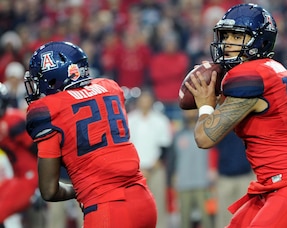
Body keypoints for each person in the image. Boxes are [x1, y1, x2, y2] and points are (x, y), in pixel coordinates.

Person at [184, 3, 287, 227]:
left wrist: (205, 104)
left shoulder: (250, 75)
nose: (228, 42)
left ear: (259, 40)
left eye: (237, 36)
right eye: (226, 34)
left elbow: (204, 137)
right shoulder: (269, 69)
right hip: (275, 186)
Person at [24, 41, 157, 228]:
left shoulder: (48, 110)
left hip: (107, 209)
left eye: (40, 79)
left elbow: (49, 190)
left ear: (54, 78)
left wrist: (78, 190)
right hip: (144, 200)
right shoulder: (109, 87)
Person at [127, 88, 173, 228]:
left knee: (158, 205)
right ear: (138, 101)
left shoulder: (161, 120)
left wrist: (152, 167)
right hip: (134, 171)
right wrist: (136, 168)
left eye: (147, 98)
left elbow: (165, 147)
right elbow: (126, 145)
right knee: (134, 207)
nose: (145, 102)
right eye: (142, 99)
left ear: (152, 101)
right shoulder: (130, 119)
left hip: (155, 169)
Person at [0, 82, 38, 226]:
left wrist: (44, 182)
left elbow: (39, 150)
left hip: (30, 176)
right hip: (18, 176)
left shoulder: (13, 120)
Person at [172, 109, 213, 228]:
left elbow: (212, 155)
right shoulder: (178, 135)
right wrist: (174, 177)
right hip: (183, 183)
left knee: (206, 219)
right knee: (184, 220)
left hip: (202, 182)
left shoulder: (206, 133)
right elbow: (173, 159)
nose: (191, 114)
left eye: (194, 111)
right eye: (187, 111)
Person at [212, 131, 254, 228]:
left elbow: (253, 146)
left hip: (244, 176)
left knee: (246, 213)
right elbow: (213, 149)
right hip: (225, 177)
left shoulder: (245, 124)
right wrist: (213, 168)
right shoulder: (222, 124)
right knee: (224, 215)